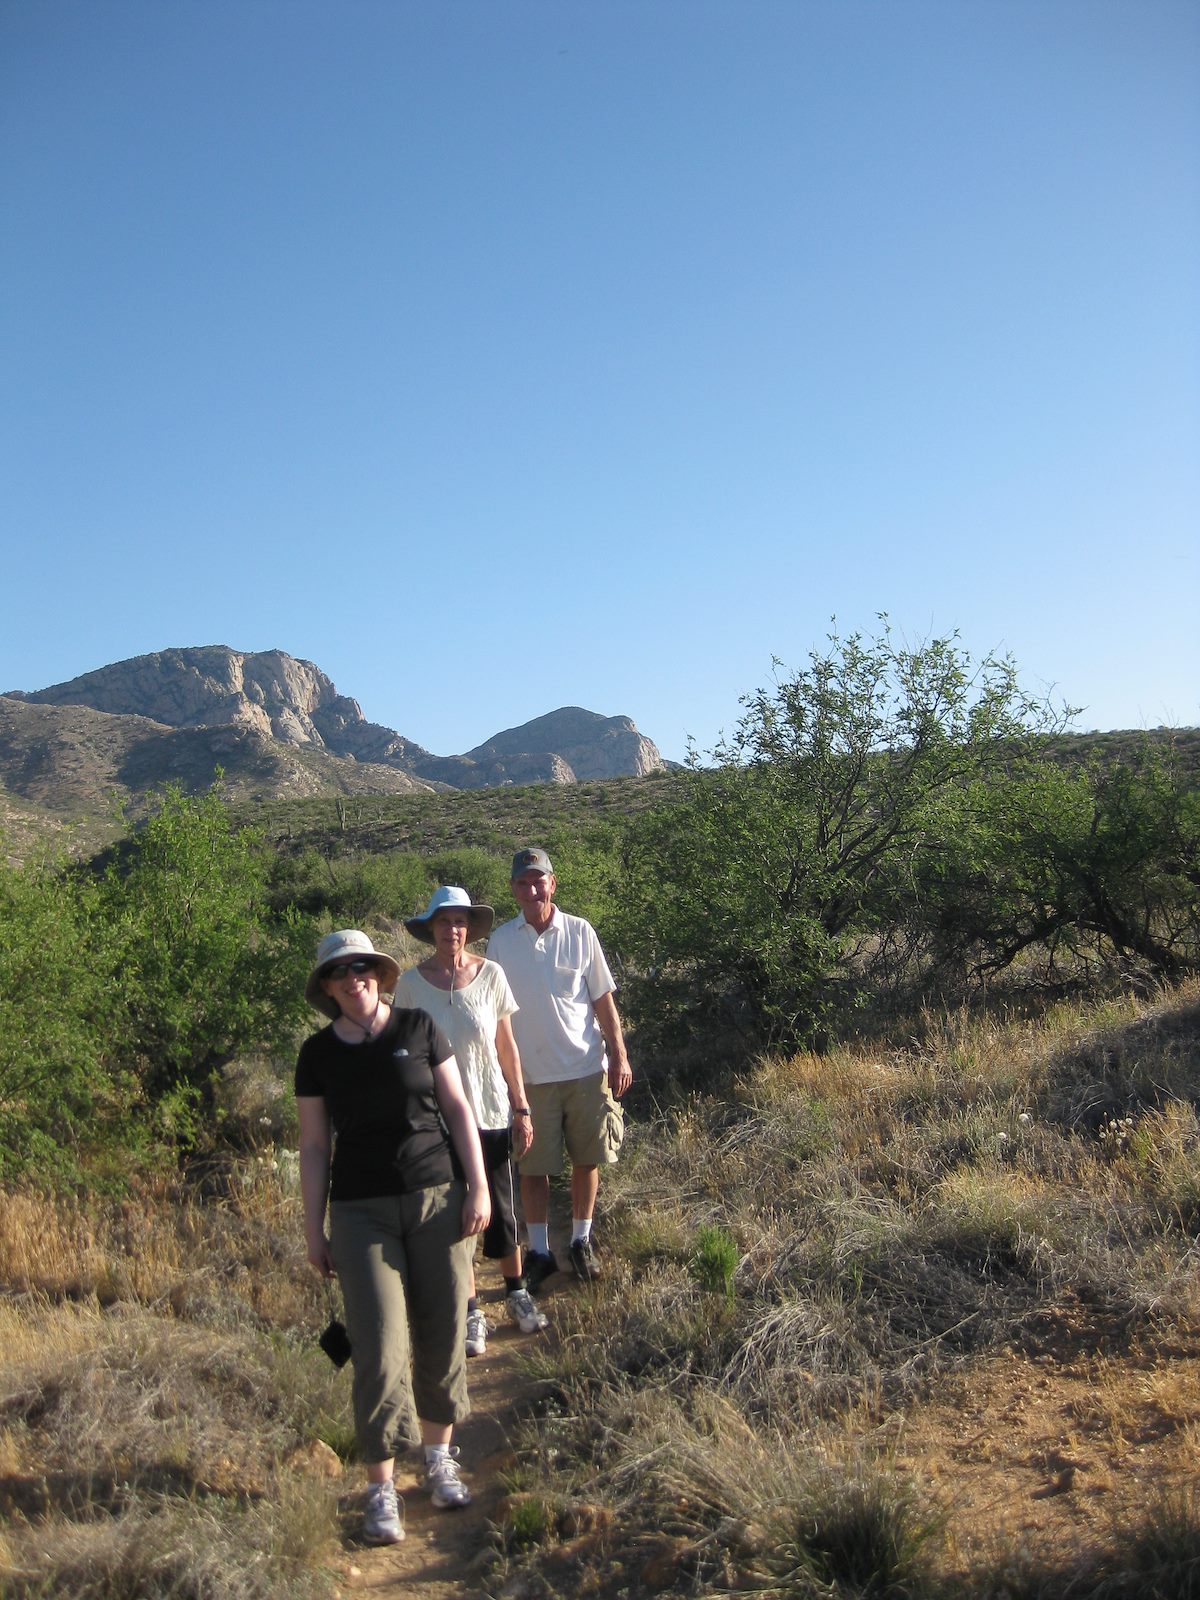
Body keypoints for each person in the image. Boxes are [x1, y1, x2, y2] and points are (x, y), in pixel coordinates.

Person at [295, 929, 491, 1547]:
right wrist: (313, 1227)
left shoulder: (419, 1028)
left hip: (436, 1197)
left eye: (363, 967)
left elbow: (458, 1108)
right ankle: (381, 1488)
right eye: (341, 972)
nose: (355, 979)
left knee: (441, 1331)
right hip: (360, 1213)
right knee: (378, 1348)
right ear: (328, 987)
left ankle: (438, 1457)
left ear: (379, 973)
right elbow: (313, 1145)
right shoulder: (317, 1054)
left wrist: (478, 1187)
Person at [395, 885, 548, 1357]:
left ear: (469, 929)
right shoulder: (410, 985)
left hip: (489, 1109)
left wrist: (521, 1106)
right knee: (453, 1216)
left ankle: (517, 1293)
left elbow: (506, 1047)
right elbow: (400, 1056)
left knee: (501, 1207)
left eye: (460, 922)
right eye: (444, 922)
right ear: (431, 929)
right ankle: (470, 1311)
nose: (452, 931)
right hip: (435, 1123)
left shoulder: (491, 976)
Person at [487, 848, 633, 1292]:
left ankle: (580, 1242)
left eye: (539, 881)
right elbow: (494, 1012)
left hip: (586, 1068)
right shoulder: (502, 941)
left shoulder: (580, 932)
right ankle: (540, 1251)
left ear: (553, 883)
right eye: (523, 883)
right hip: (531, 1078)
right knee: (534, 1169)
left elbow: (602, 999)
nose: (532, 890)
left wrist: (620, 1054)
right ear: (514, 890)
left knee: (587, 1160)